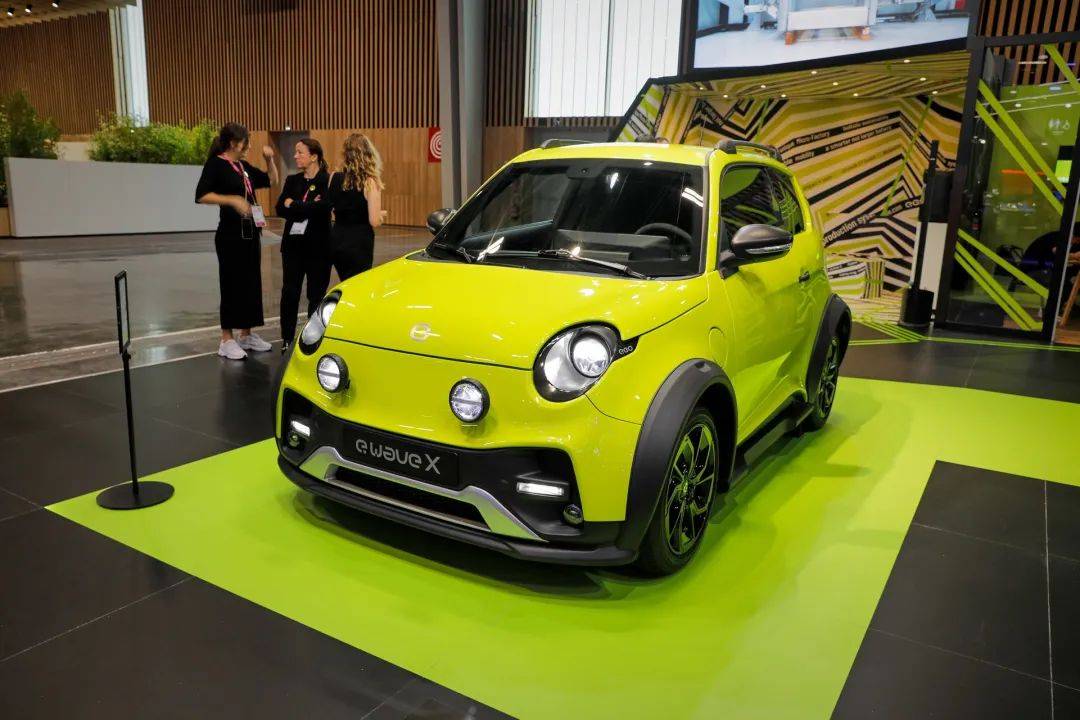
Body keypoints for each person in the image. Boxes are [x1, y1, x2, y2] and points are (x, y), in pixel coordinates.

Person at [195, 122, 279, 360]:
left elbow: (271, 180)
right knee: (232, 284)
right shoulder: (216, 165)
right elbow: (201, 195)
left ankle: (246, 334)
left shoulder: (242, 166)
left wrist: (270, 160)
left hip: (250, 233)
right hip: (230, 236)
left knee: (251, 283)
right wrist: (232, 200)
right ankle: (226, 339)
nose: (249, 146)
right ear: (233, 143)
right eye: (246, 142)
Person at [275, 138, 331, 352]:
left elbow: (324, 208)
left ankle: (311, 340)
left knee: (316, 296)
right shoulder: (292, 181)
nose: (295, 156)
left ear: (314, 156)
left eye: (300, 152)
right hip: (293, 247)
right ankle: (287, 338)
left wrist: (295, 205)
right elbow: (280, 208)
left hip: (319, 248)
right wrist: (308, 206)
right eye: (295, 152)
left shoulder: (327, 180)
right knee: (290, 293)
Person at [324, 133, 385, 280]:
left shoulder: (333, 177)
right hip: (359, 242)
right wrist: (381, 215)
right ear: (369, 153)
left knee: (345, 281)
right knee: (358, 284)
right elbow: (374, 221)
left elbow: (330, 209)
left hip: (337, 238)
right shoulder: (370, 182)